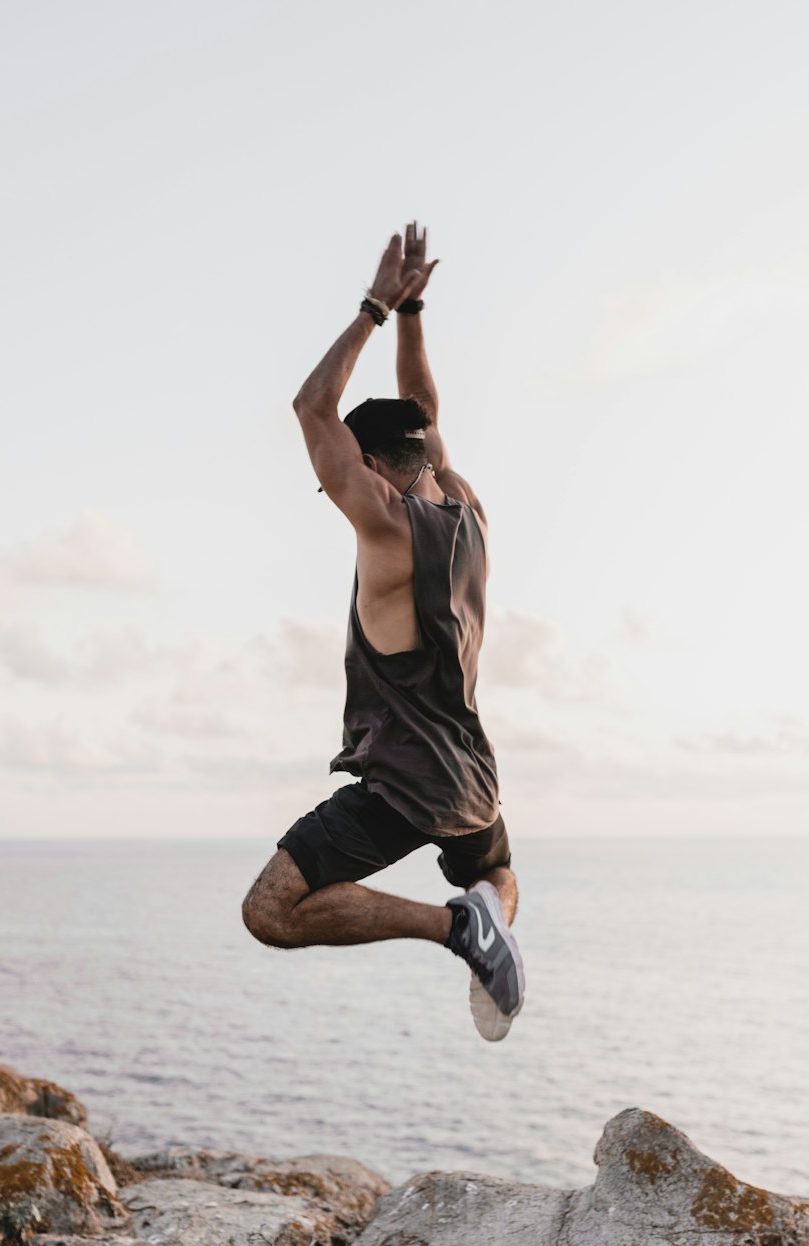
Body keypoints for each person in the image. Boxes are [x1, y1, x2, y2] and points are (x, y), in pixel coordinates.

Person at [241, 223, 525, 1042]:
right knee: (497, 872)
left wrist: (374, 306)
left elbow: (310, 408)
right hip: (472, 774)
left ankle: (456, 932)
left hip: (402, 784)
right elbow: (426, 412)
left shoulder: (388, 527)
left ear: (367, 467)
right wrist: (416, 312)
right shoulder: (464, 505)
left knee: (271, 911)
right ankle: (489, 926)